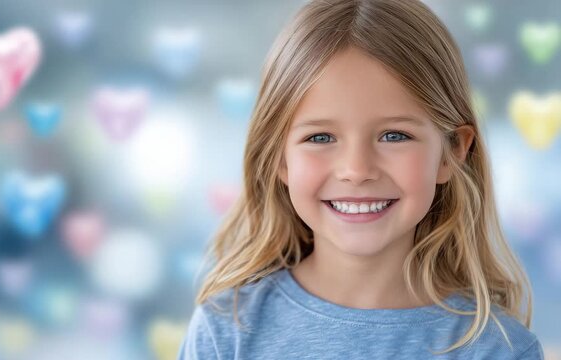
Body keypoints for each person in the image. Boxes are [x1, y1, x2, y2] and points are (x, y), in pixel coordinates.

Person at [178, 0, 544, 358]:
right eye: (320, 138)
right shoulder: (224, 332)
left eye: (394, 136)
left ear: (452, 151)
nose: (356, 169)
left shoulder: (498, 350)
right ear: (279, 157)